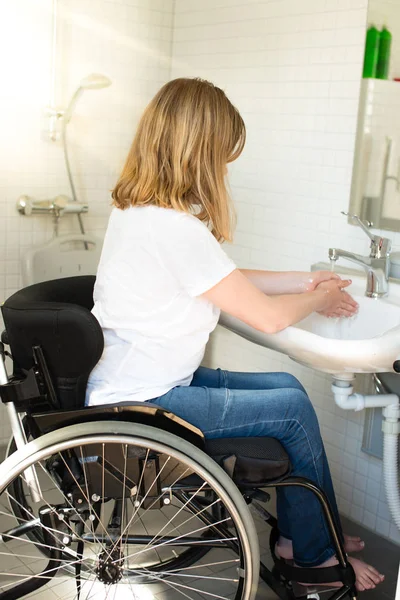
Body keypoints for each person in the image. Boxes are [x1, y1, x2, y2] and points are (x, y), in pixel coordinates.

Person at [86, 77, 384, 592]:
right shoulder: (173, 227)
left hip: (138, 382)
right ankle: (312, 554)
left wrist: (303, 279)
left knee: (286, 390)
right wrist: (319, 298)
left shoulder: (141, 213)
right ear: (199, 150)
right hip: (147, 400)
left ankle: (310, 532)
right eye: (222, 153)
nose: (224, 167)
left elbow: (223, 276)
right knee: (293, 409)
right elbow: (267, 318)